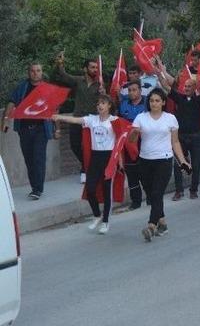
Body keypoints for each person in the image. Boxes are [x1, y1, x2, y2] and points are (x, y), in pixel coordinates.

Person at [129, 89, 190, 242]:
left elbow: (175, 142)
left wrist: (182, 160)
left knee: (157, 193)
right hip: (145, 160)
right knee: (151, 194)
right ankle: (162, 222)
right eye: (151, 100)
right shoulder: (140, 118)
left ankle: (151, 225)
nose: (154, 103)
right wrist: (135, 133)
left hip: (164, 160)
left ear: (163, 102)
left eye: (157, 100)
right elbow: (131, 140)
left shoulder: (170, 119)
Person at [53, 95, 118, 234]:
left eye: (103, 103)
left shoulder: (115, 121)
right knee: (90, 189)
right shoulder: (92, 120)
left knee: (107, 191)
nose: (100, 105)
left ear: (109, 106)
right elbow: (75, 120)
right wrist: (59, 117)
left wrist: (120, 161)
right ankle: (97, 215)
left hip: (108, 158)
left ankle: (106, 221)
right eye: (98, 103)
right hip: (95, 157)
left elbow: (123, 138)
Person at [3, 63, 56, 200]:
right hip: (24, 129)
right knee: (29, 159)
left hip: (41, 130)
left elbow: (54, 109)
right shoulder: (22, 87)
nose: (35, 73)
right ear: (28, 72)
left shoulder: (47, 89)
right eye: (32, 71)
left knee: (38, 158)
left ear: (41, 72)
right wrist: (6, 120)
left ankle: (37, 189)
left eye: (38, 70)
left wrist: (58, 128)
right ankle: (35, 187)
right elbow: (11, 102)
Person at [54, 54, 102, 183]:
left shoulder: (100, 84)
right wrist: (60, 63)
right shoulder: (78, 80)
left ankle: (85, 170)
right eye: (92, 67)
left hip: (92, 121)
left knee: (91, 146)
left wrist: (104, 93)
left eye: (96, 68)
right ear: (85, 69)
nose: (95, 70)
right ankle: (87, 166)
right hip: (77, 119)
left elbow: (108, 102)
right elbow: (64, 76)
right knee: (74, 145)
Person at [164, 78, 200, 199]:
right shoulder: (179, 98)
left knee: (196, 164)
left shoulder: (199, 100)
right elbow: (166, 87)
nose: (186, 88)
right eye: (185, 86)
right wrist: (158, 71)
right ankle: (179, 191)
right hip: (181, 137)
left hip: (196, 136)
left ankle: (193, 190)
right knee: (179, 165)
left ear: (194, 88)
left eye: (189, 86)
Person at [118, 80, 148, 208]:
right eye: (129, 90)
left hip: (144, 142)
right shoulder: (123, 104)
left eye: (134, 90)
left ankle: (151, 197)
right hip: (128, 143)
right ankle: (136, 201)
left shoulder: (148, 103)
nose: (131, 92)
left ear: (140, 91)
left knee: (145, 171)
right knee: (131, 172)